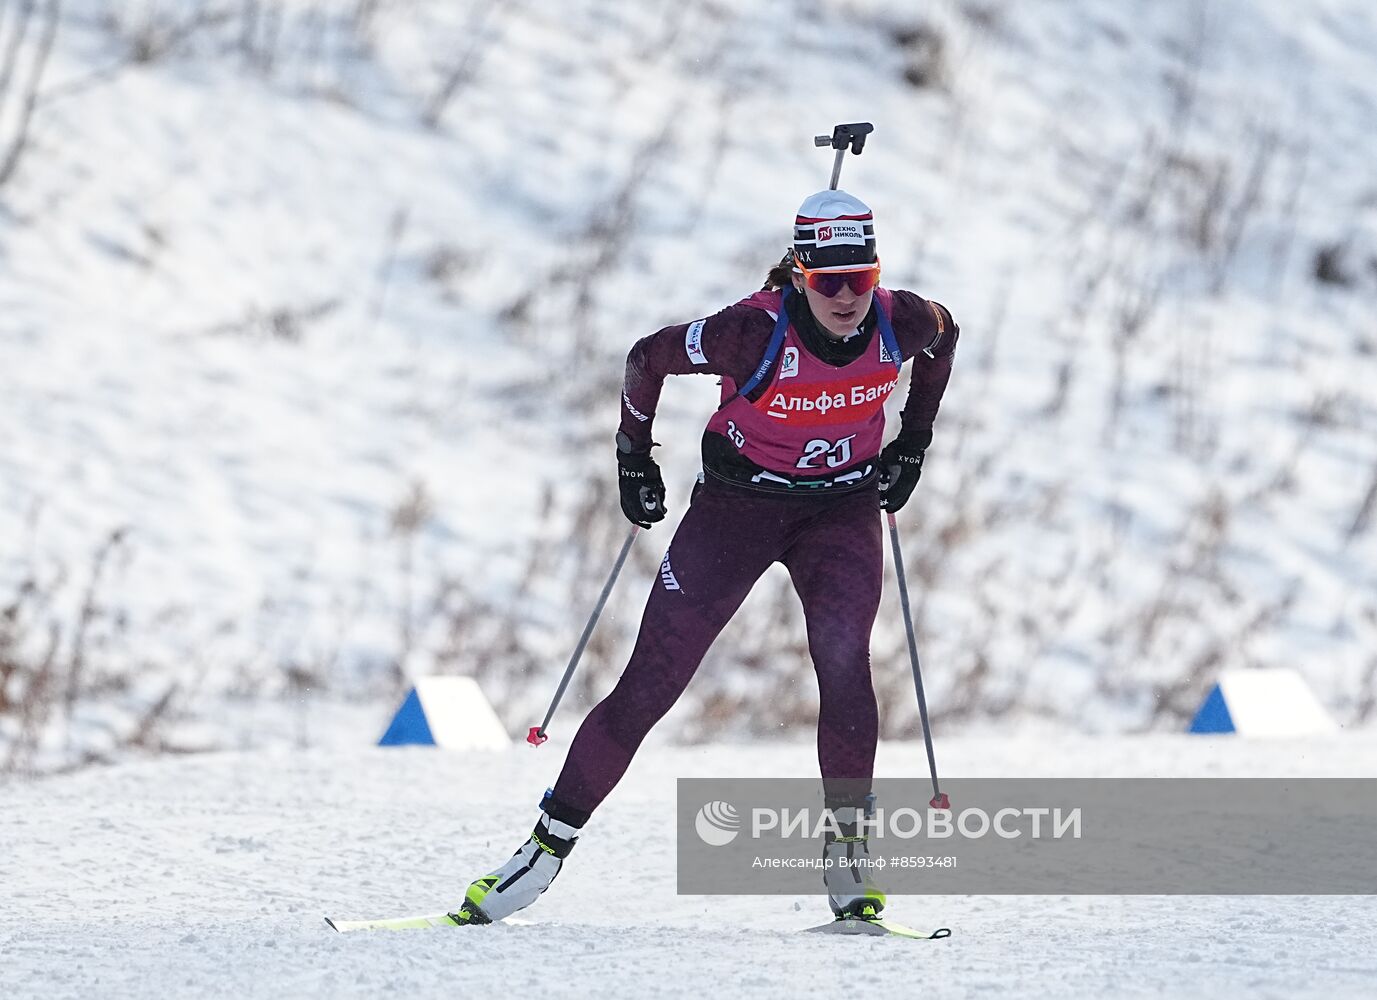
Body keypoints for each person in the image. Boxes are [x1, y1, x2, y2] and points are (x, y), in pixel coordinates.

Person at [453, 189, 959, 924]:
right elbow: (645, 358)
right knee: (652, 682)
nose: (848, 297)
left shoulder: (904, 318)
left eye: (862, 277)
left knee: (845, 663)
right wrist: (633, 456)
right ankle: (540, 851)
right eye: (828, 281)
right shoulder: (746, 333)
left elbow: (946, 339)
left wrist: (914, 439)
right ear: (800, 276)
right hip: (736, 512)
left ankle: (848, 854)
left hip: (839, 511)